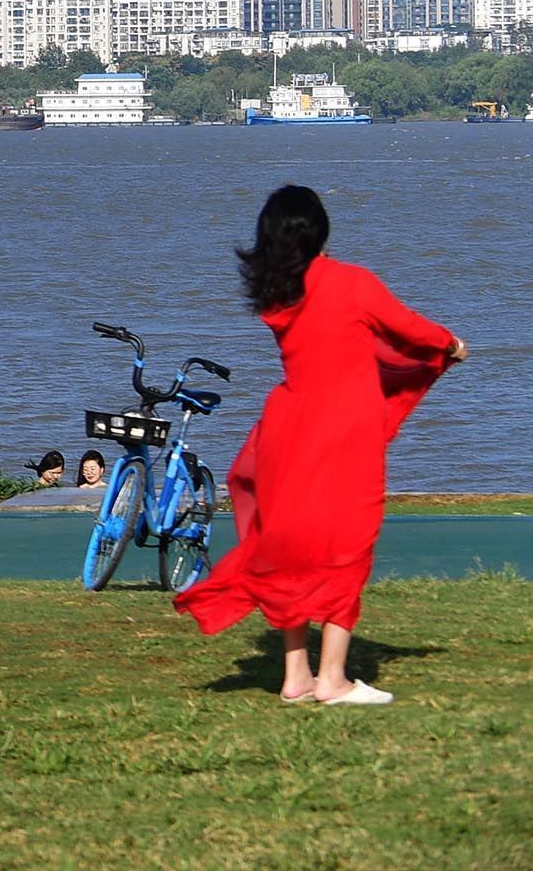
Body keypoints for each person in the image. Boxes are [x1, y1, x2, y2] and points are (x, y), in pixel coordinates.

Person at [175, 184, 468, 705]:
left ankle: (295, 676)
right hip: (343, 433)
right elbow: (407, 328)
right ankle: (331, 679)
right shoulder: (350, 282)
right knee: (347, 546)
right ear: (319, 232)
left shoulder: (277, 295)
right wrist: (449, 344)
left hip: (287, 429)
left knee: (288, 544)